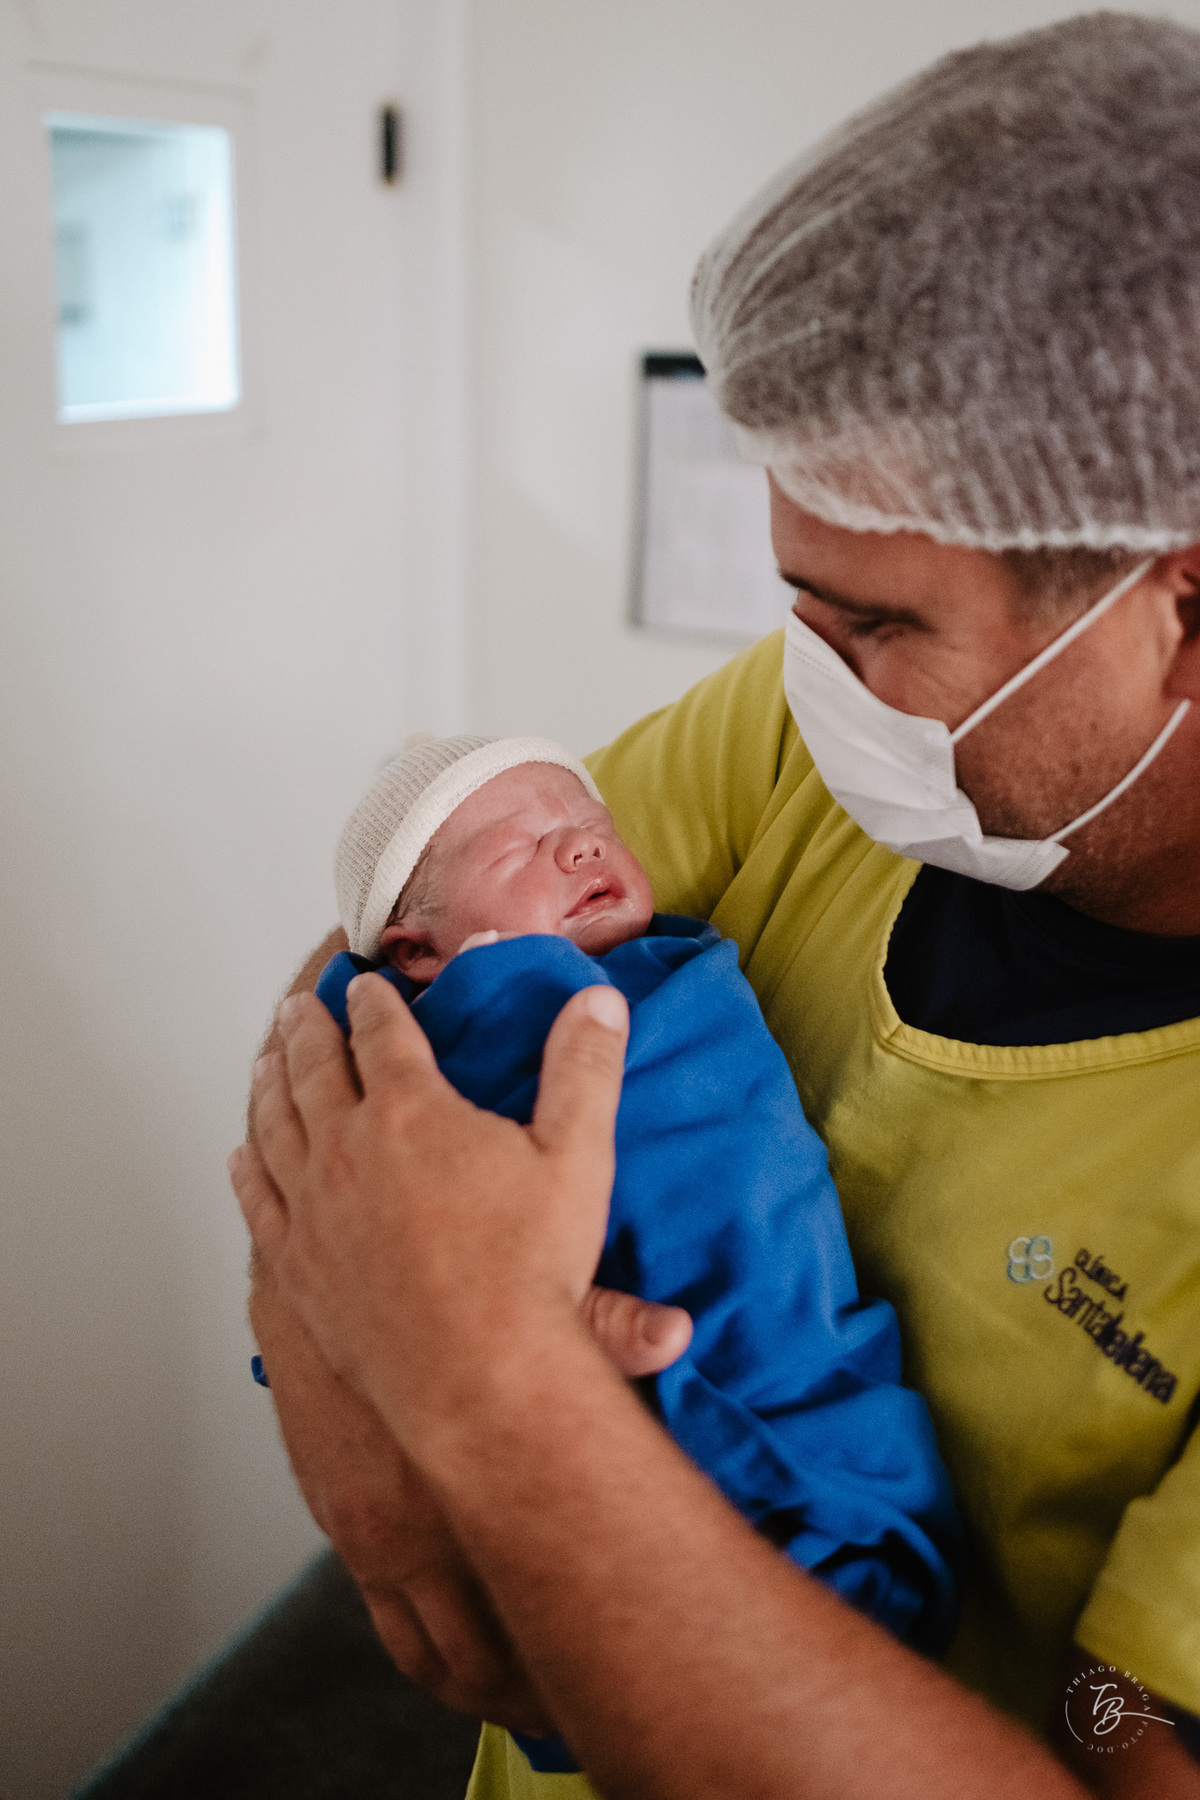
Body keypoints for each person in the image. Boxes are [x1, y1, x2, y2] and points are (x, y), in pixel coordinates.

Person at [232, 14, 1200, 1800]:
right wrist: (332, 1376)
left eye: (879, 625)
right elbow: (414, 937)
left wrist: (483, 1400)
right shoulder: (807, 728)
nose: (801, 672)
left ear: (1180, 614)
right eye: (798, 603)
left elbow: (1120, 1768)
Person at [300, 731, 961, 1774]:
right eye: (523, 849)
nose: (576, 848)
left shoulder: (678, 971)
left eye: (591, 828)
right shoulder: (460, 1026)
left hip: (797, 1339)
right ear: (417, 954)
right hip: (651, 1380)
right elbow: (351, 1179)